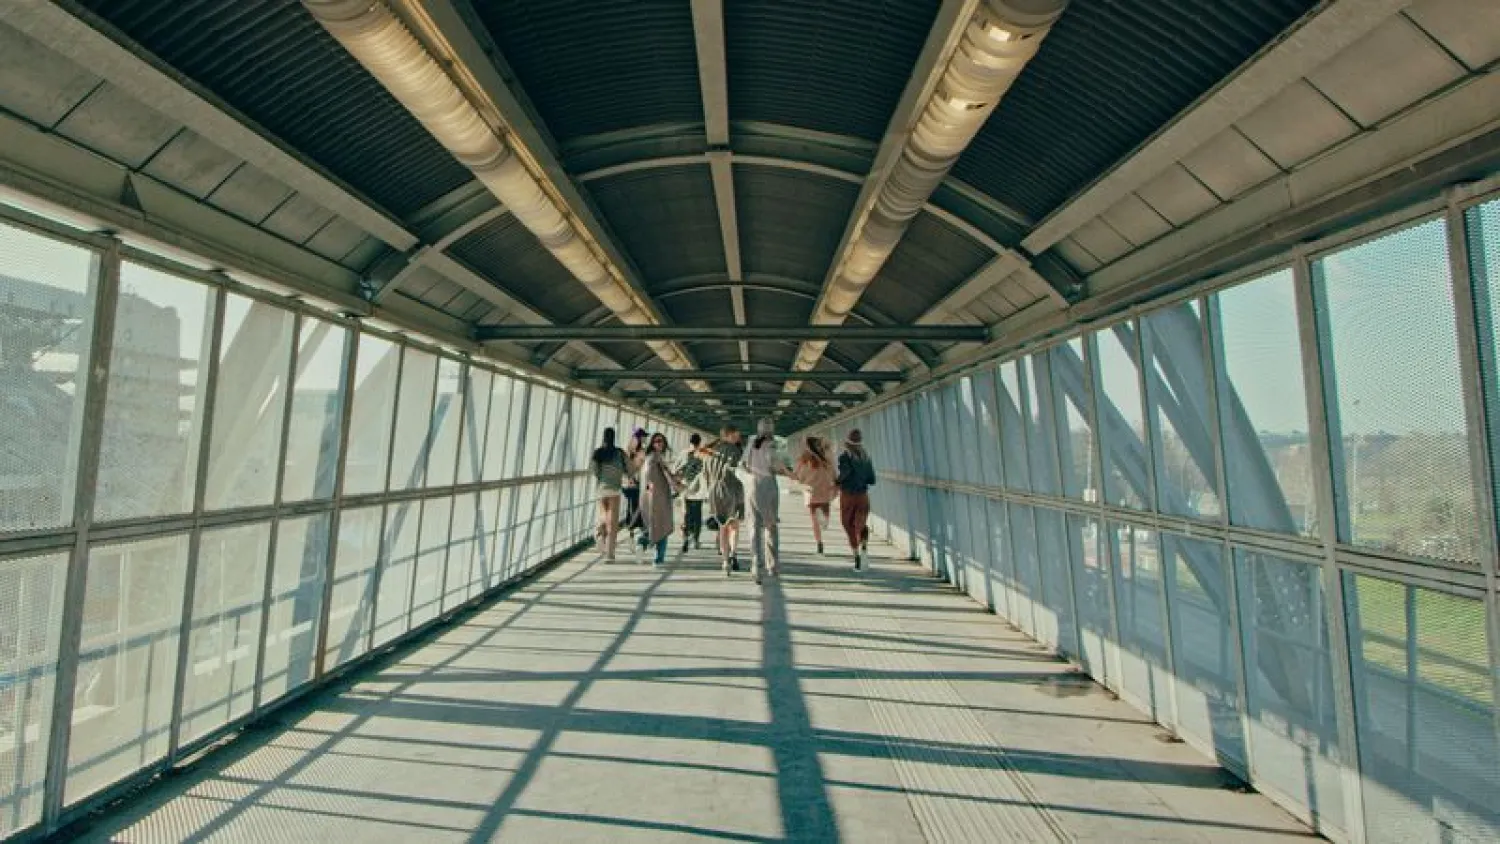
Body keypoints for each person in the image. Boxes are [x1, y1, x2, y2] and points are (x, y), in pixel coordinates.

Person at [743, 418, 791, 584]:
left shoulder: (750, 442)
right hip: (769, 486)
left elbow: (744, 465)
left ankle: (756, 564)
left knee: (754, 526)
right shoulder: (776, 444)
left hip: (752, 486)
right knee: (770, 526)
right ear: (771, 429)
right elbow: (781, 467)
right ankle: (773, 565)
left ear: (758, 429)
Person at [699, 425, 746, 576]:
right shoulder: (734, 450)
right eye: (736, 435)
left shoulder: (710, 452)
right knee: (734, 526)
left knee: (722, 527)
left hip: (715, 491)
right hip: (733, 490)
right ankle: (733, 554)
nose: (738, 437)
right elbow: (739, 471)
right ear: (730, 435)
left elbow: (705, 474)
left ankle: (725, 562)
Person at [836, 428, 877, 571]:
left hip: (848, 496)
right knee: (861, 523)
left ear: (847, 443)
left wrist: (837, 481)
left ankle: (856, 556)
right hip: (863, 496)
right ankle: (864, 545)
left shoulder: (844, 457)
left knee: (848, 524)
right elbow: (872, 480)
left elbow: (845, 473)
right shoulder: (866, 457)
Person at [792, 435, 837, 555]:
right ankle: (819, 543)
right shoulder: (818, 459)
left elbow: (798, 475)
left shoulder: (816, 459)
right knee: (820, 521)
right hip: (818, 494)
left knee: (819, 522)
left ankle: (819, 540)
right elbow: (833, 473)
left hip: (816, 493)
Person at [590, 427, 628, 562]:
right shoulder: (619, 453)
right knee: (613, 523)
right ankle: (610, 554)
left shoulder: (598, 453)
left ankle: (600, 531)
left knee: (604, 514)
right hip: (615, 489)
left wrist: (601, 478)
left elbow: (594, 470)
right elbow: (627, 469)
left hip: (602, 488)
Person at [639, 432, 676, 568]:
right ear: (652, 444)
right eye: (656, 441)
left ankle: (642, 544)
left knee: (654, 525)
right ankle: (658, 558)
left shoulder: (650, 458)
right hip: (658, 497)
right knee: (663, 526)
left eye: (661, 441)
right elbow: (664, 476)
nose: (659, 443)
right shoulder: (655, 459)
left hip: (651, 497)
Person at [674, 433, 706, 554]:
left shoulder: (683, 453)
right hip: (699, 489)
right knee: (697, 516)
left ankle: (685, 540)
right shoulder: (703, 454)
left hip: (685, 488)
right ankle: (696, 540)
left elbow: (676, 469)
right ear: (699, 442)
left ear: (690, 441)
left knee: (686, 516)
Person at [621, 427, 647, 539]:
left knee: (631, 504)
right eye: (644, 436)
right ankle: (635, 527)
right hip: (636, 483)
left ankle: (630, 526)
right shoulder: (642, 452)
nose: (645, 438)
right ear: (640, 438)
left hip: (626, 483)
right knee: (637, 505)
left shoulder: (627, 451)